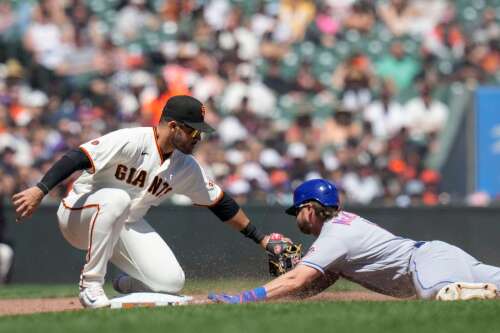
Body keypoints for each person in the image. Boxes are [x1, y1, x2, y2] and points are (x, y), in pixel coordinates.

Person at [12, 95, 284, 308]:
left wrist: (261, 239)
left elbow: (220, 203)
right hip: (78, 215)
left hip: (121, 226)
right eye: (193, 131)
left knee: (171, 282)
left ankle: (128, 284)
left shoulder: (185, 166)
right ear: (174, 126)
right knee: (117, 198)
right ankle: (91, 285)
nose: (198, 138)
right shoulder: (131, 139)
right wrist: (40, 189)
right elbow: (78, 156)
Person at [209, 179, 500, 303]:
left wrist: (244, 298)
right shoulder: (342, 226)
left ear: (310, 208)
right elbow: (315, 283)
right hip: (439, 257)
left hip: (426, 264)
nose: (296, 218)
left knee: (443, 297)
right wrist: (283, 289)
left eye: (297, 211)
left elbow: (297, 280)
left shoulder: (336, 234)